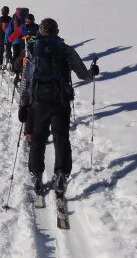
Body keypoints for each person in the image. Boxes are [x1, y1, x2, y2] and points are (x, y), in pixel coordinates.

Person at [17, 17, 100, 197]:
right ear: (57, 32)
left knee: (38, 139)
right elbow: (84, 75)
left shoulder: (32, 50)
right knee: (61, 138)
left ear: (40, 31)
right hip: (61, 101)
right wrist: (92, 72)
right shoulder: (66, 50)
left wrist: (23, 105)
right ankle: (61, 173)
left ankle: (37, 174)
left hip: (38, 102)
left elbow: (26, 80)